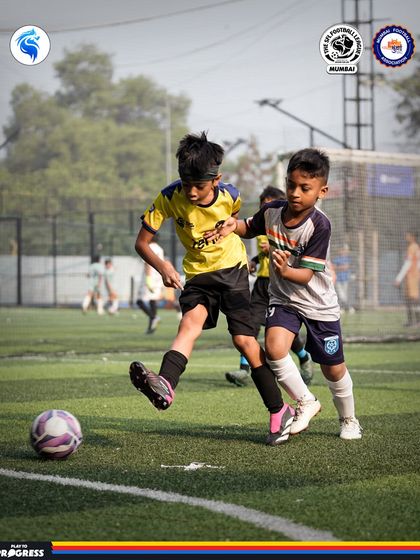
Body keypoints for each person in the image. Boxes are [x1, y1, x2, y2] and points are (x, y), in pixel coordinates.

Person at [129, 131, 301, 446]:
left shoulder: (230, 195)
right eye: (186, 183)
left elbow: (235, 222)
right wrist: (164, 267)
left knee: (244, 341)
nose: (192, 192)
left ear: (216, 179)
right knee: (188, 325)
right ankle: (165, 385)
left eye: (199, 185)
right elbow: (142, 243)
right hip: (197, 275)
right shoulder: (168, 197)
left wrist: (225, 231)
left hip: (232, 271)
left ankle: (280, 411)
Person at [206, 148, 362, 440]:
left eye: (305, 188)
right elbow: (249, 227)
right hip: (284, 300)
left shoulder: (320, 225)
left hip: (318, 304)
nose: (295, 193)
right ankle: (306, 401)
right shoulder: (272, 210)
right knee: (275, 348)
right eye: (291, 185)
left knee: (332, 368)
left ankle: (349, 419)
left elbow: (305, 275)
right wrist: (232, 226)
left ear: (322, 191)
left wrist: (287, 270)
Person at [225, 185, 314, 388]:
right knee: (250, 326)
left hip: (281, 285)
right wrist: (255, 260)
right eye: (262, 206)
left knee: (282, 332)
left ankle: (303, 356)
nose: (265, 210)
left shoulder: (289, 227)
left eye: (269, 205)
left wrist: (273, 249)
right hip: (261, 285)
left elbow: (295, 253)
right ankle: (243, 370)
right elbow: (261, 251)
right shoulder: (260, 226)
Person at [136, 234, 165, 334]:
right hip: (158, 278)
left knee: (139, 301)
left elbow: (147, 263)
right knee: (153, 301)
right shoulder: (160, 249)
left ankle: (154, 317)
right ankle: (151, 328)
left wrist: (148, 279)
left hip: (149, 278)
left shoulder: (149, 248)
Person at [394, 231, 420, 327]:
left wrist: (398, 278)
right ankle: (411, 321)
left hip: (412, 277)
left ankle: (417, 321)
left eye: (408, 235)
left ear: (412, 237)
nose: (406, 237)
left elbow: (407, 264)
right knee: (409, 299)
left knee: (414, 299)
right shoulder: (416, 247)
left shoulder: (412, 248)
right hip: (413, 276)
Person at [332, 243, 354, 313]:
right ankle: (343, 307)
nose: (344, 251)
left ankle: (348, 307)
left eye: (345, 250)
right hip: (338, 279)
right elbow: (334, 267)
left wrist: (343, 267)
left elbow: (348, 267)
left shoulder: (348, 259)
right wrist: (341, 267)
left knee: (346, 294)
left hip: (346, 279)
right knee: (341, 295)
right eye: (343, 250)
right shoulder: (337, 258)